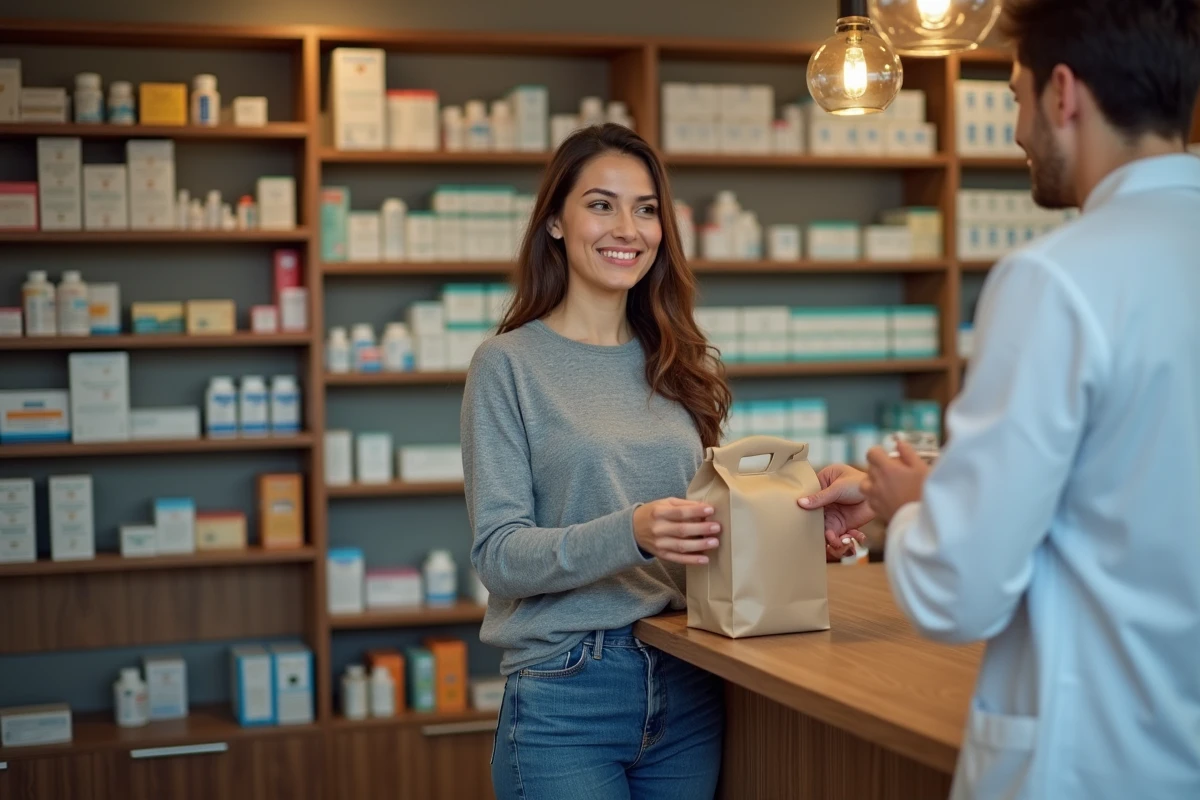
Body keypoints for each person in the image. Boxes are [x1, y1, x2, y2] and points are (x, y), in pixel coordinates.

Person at [801, 0, 1200, 797]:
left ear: (1063, 93)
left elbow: (958, 593)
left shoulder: (1055, 278)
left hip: (1093, 757)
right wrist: (921, 492)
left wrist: (915, 515)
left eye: (1016, 98)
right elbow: (1132, 475)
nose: (1017, 132)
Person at [460, 123, 731, 800]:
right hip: (567, 693)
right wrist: (631, 531)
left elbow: (700, 526)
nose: (628, 229)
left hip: (689, 677)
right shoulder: (508, 365)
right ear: (555, 221)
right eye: (601, 204)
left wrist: (796, 518)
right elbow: (499, 555)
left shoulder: (676, 363)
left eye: (646, 209)